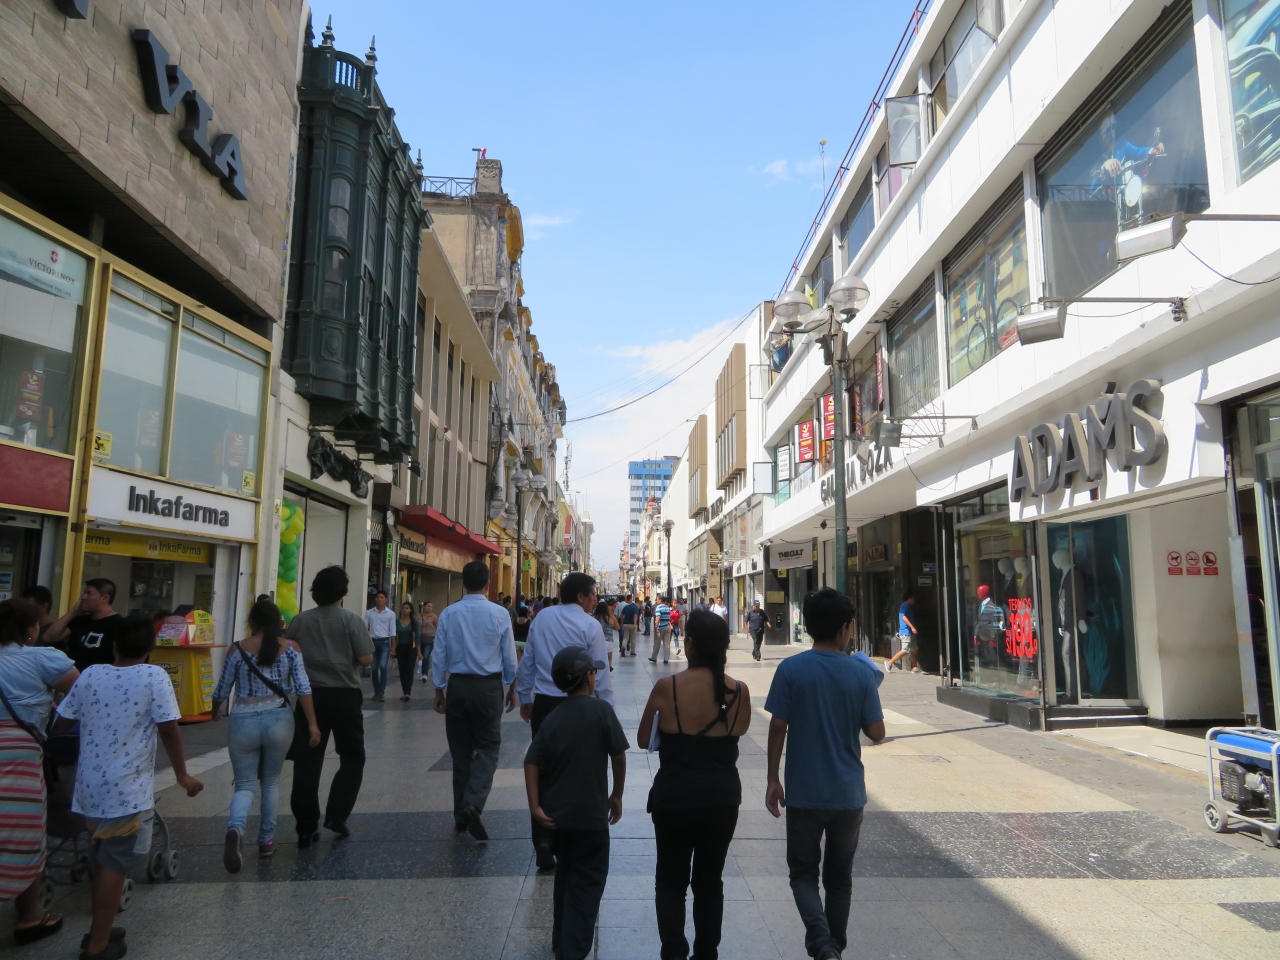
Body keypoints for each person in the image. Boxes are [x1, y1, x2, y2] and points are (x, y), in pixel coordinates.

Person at [55, 616, 204, 960]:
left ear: (114, 646)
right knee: (114, 863)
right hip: (125, 790)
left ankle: (100, 928)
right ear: (151, 647)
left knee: (100, 855)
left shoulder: (90, 674)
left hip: (88, 787)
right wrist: (182, 775)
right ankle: (98, 945)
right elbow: (168, 729)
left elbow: (64, 720)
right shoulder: (154, 676)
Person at [765, 588, 885, 960]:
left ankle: (822, 944)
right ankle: (833, 946)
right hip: (848, 795)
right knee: (839, 877)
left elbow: (778, 726)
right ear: (846, 628)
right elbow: (877, 732)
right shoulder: (860, 673)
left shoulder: (790, 670)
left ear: (807, 625)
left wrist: (773, 778)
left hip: (804, 792)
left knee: (803, 874)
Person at [637, 610, 751, 960]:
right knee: (709, 880)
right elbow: (740, 729)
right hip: (722, 797)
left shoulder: (667, 688)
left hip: (675, 795)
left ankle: (674, 951)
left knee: (670, 880)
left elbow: (642, 739)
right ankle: (706, 952)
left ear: (688, 644)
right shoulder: (739, 691)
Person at [524, 646, 628, 960]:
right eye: (594, 672)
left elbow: (531, 761)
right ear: (588, 678)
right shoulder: (601, 711)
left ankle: (560, 939)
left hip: (558, 818)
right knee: (588, 882)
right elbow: (619, 756)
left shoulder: (553, 717)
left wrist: (535, 806)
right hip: (591, 817)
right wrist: (617, 794)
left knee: (566, 876)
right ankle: (571, 950)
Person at [211, 599, 320, 870]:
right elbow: (303, 688)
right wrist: (312, 724)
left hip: (243, 720)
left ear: (252, 622)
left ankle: (236, 828)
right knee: (271, 782)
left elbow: (222, 688)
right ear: (278, 623)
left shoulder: (237, 649)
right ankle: (266, 841)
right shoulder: (291, 649)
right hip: (278, 719)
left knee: (245, 784)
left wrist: (215, 710)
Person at [516, 572, 614, 871]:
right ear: (581, 596)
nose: (595, 599)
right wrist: (606, 708)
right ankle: (574, 833)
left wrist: (525, 697)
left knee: (544, 768)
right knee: (579, 769)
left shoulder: (543, 618)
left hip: (546, 704)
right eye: (593, 594)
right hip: (581, 705)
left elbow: (529, 659)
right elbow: (599, 674)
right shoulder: (590, 625)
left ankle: (544, 838)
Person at [0, 598, 78, 946]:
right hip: (19, 756)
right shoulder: (42, 658)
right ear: (30, 630)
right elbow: (83, 694)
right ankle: (29, 916)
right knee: (23, 831)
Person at [287, 565, 374, 846]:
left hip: (309, 698)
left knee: (307, 761)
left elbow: (289, 654)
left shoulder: (299, 621)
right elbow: (366, 658)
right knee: (353, 756)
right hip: (345, 696)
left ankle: (305, 825)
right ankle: (337, 813)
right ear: (342, 592)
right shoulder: (352, 620)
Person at [432, 561, 518, 841]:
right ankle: (473, 803)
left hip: (458, 686)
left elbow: (439, 653)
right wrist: (512, 686)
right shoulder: (499, 613)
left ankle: (461, 814)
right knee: (488, 748)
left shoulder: (449, 613)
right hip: (488, 688)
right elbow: (509, 655)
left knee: (460, 752)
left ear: (463, 582)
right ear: (488, 584)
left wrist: (439, 689)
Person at [42, 578, 123, 671]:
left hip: (99, 677)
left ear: (105, 598)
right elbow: (48, 637)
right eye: (84, 593)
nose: (83, 597)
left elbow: (120, 660)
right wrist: (74, 611)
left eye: (89, 593)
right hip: (75, 677)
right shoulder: (80, 621)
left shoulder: (119, 624)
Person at [363, 590, 396, 702]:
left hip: (384, 642)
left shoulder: (390, 614)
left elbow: (393, 631)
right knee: (374, 668)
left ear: (386, 599)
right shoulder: (369, 613)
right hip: (372, 641)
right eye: (378, 597)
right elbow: (364, 628)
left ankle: (381, 692)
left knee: (383, 667)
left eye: (382, 597)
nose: (379, 599)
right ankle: (376, 691)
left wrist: (393, 646)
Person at [884, 592, 920, 673]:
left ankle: (915, 668)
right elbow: (904, 617)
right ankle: (889, 663)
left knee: (914, 649)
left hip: (909, 632)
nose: (914, 600)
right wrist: (912, 627)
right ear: (909, 598)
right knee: (905, 650)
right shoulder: (905, 606)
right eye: (913, 598)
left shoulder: (907, 606)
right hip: (906, 632)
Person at [392, 601, 420, 701]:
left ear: (411, 610)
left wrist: (419, 651)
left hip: (411, 648)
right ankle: (404, 692)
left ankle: (408, 692)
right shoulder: (397, 622)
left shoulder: (415, 622)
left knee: (409, 668)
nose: (405, 610)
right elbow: (394, 635)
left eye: (407, 608)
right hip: (401, 647)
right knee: (402, 670)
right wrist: (393, 647)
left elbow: (417, 637)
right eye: (403, 608)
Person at [595, 600, 619, 671]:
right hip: (609, 641)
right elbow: (617, 627)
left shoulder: (595, 617)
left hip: (598, 641)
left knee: (599, 657)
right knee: (609, 657)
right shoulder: (611, 617)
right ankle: (609, 668)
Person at [419, 600, 438, 682]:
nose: (430, 608)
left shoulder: (433, 617)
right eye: (428, 606)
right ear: (424, 607)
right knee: (420, 655)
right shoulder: (418, 616)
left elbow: (438, 627)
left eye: (431, 607)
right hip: (419, 638)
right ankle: (422, 671)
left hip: (430, 638)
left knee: (426, 655)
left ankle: (425, 674)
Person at [650, 595, 673, 663]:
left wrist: (656, 626)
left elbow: (658, 617)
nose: (656, 601)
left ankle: (654, 657)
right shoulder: (667, 607)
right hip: (667, 627)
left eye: (657, 599)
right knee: (667, 644)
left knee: (657, 643)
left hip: (660, 628)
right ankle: (666, 659)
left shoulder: (658, 607)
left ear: (660, 600)